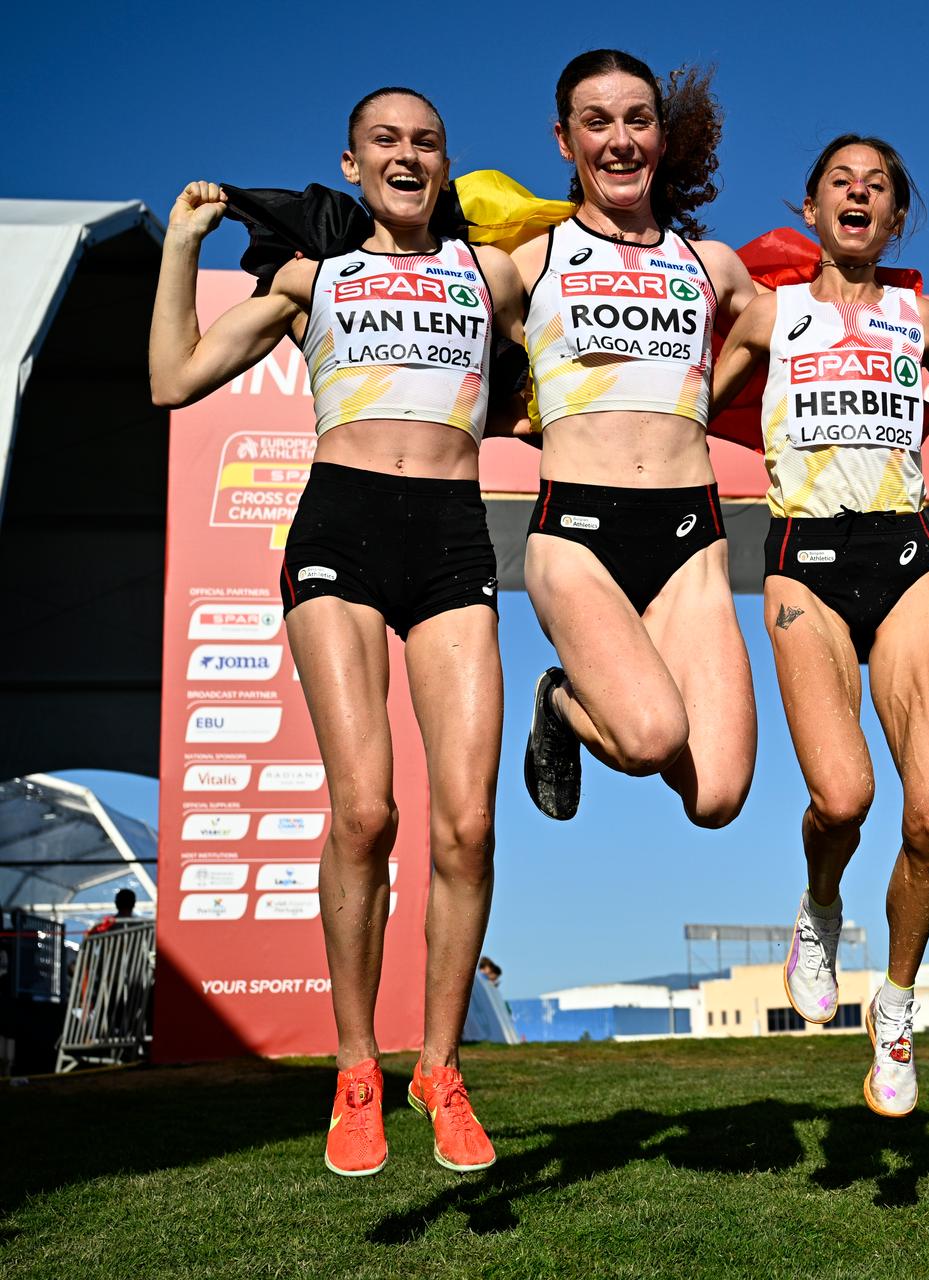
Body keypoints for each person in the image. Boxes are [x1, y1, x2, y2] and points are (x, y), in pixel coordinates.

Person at [150, 88, 520, 1179]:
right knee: (365, 807)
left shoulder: (490, 272)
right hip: (341, 530)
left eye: (427, 142)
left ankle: (440, 1069)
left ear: (446, 164)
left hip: (453, 536)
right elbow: (174, 377)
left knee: (466, 826)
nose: (408, 155)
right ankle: (357, 1065)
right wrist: (180, 249)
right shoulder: (312, 278)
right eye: (387, 142)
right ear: (351, 164)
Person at [710, 136, 929, 1117]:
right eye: (843, 183)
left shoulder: (925, 318)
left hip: (905, 554)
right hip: (804, 559)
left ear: (896, 217)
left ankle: (899, 1005)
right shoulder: (767, 311)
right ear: (812, 205)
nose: (860, 195)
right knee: (844, 796)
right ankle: (821, 904)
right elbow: (678, 415)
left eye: (878, 187)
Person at [513, 50, 758, 829]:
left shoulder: (712, 265)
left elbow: (810, 328)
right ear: (564, 140)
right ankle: (559, 699)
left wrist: (922, 314)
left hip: (691, 536)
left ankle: (590, 695)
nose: (619, 140)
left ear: (661, 135)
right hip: (578, 535)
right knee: (651, 737)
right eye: (597, 122)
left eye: (637, 120)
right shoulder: (530, 262)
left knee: (716, 796)